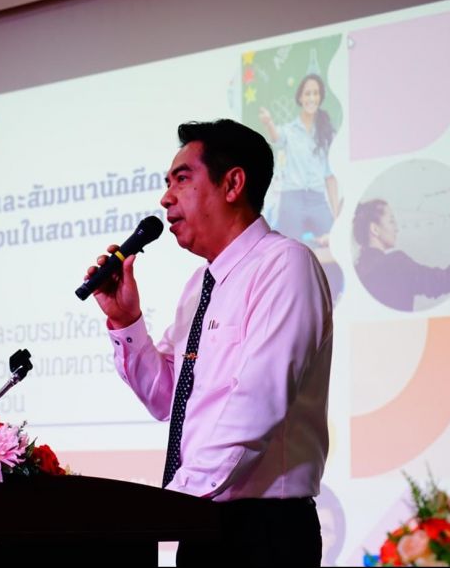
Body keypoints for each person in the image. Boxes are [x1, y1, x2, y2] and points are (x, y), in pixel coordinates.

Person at [84, 119, 333, 566]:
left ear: (233, 184)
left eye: (182, 179)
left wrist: (173, 501)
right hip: (202, 523)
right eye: (167, 184)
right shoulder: (201, 284)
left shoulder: (284, 265)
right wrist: (125, 320)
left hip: (265, 531)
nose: (166, 198)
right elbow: (167, 397)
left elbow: (258, 402)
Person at [352, 199, 450, 311]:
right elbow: (448, 280)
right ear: (375, 229)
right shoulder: (396, 264)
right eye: (391, 221)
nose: (397, 229)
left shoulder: (356, 272)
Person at [259, 74, 341, 244]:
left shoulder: (327, 132)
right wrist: (268, 123)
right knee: (290, 248)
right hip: (292, 198)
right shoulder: (290, 130)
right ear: (300, 98)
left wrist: (336, 214)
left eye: (316, 93)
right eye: (307, 93)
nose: (311, 98)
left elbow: (330, 175)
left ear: (320, 97)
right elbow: (276, 137)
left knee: (332, 243)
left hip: (317, 199)